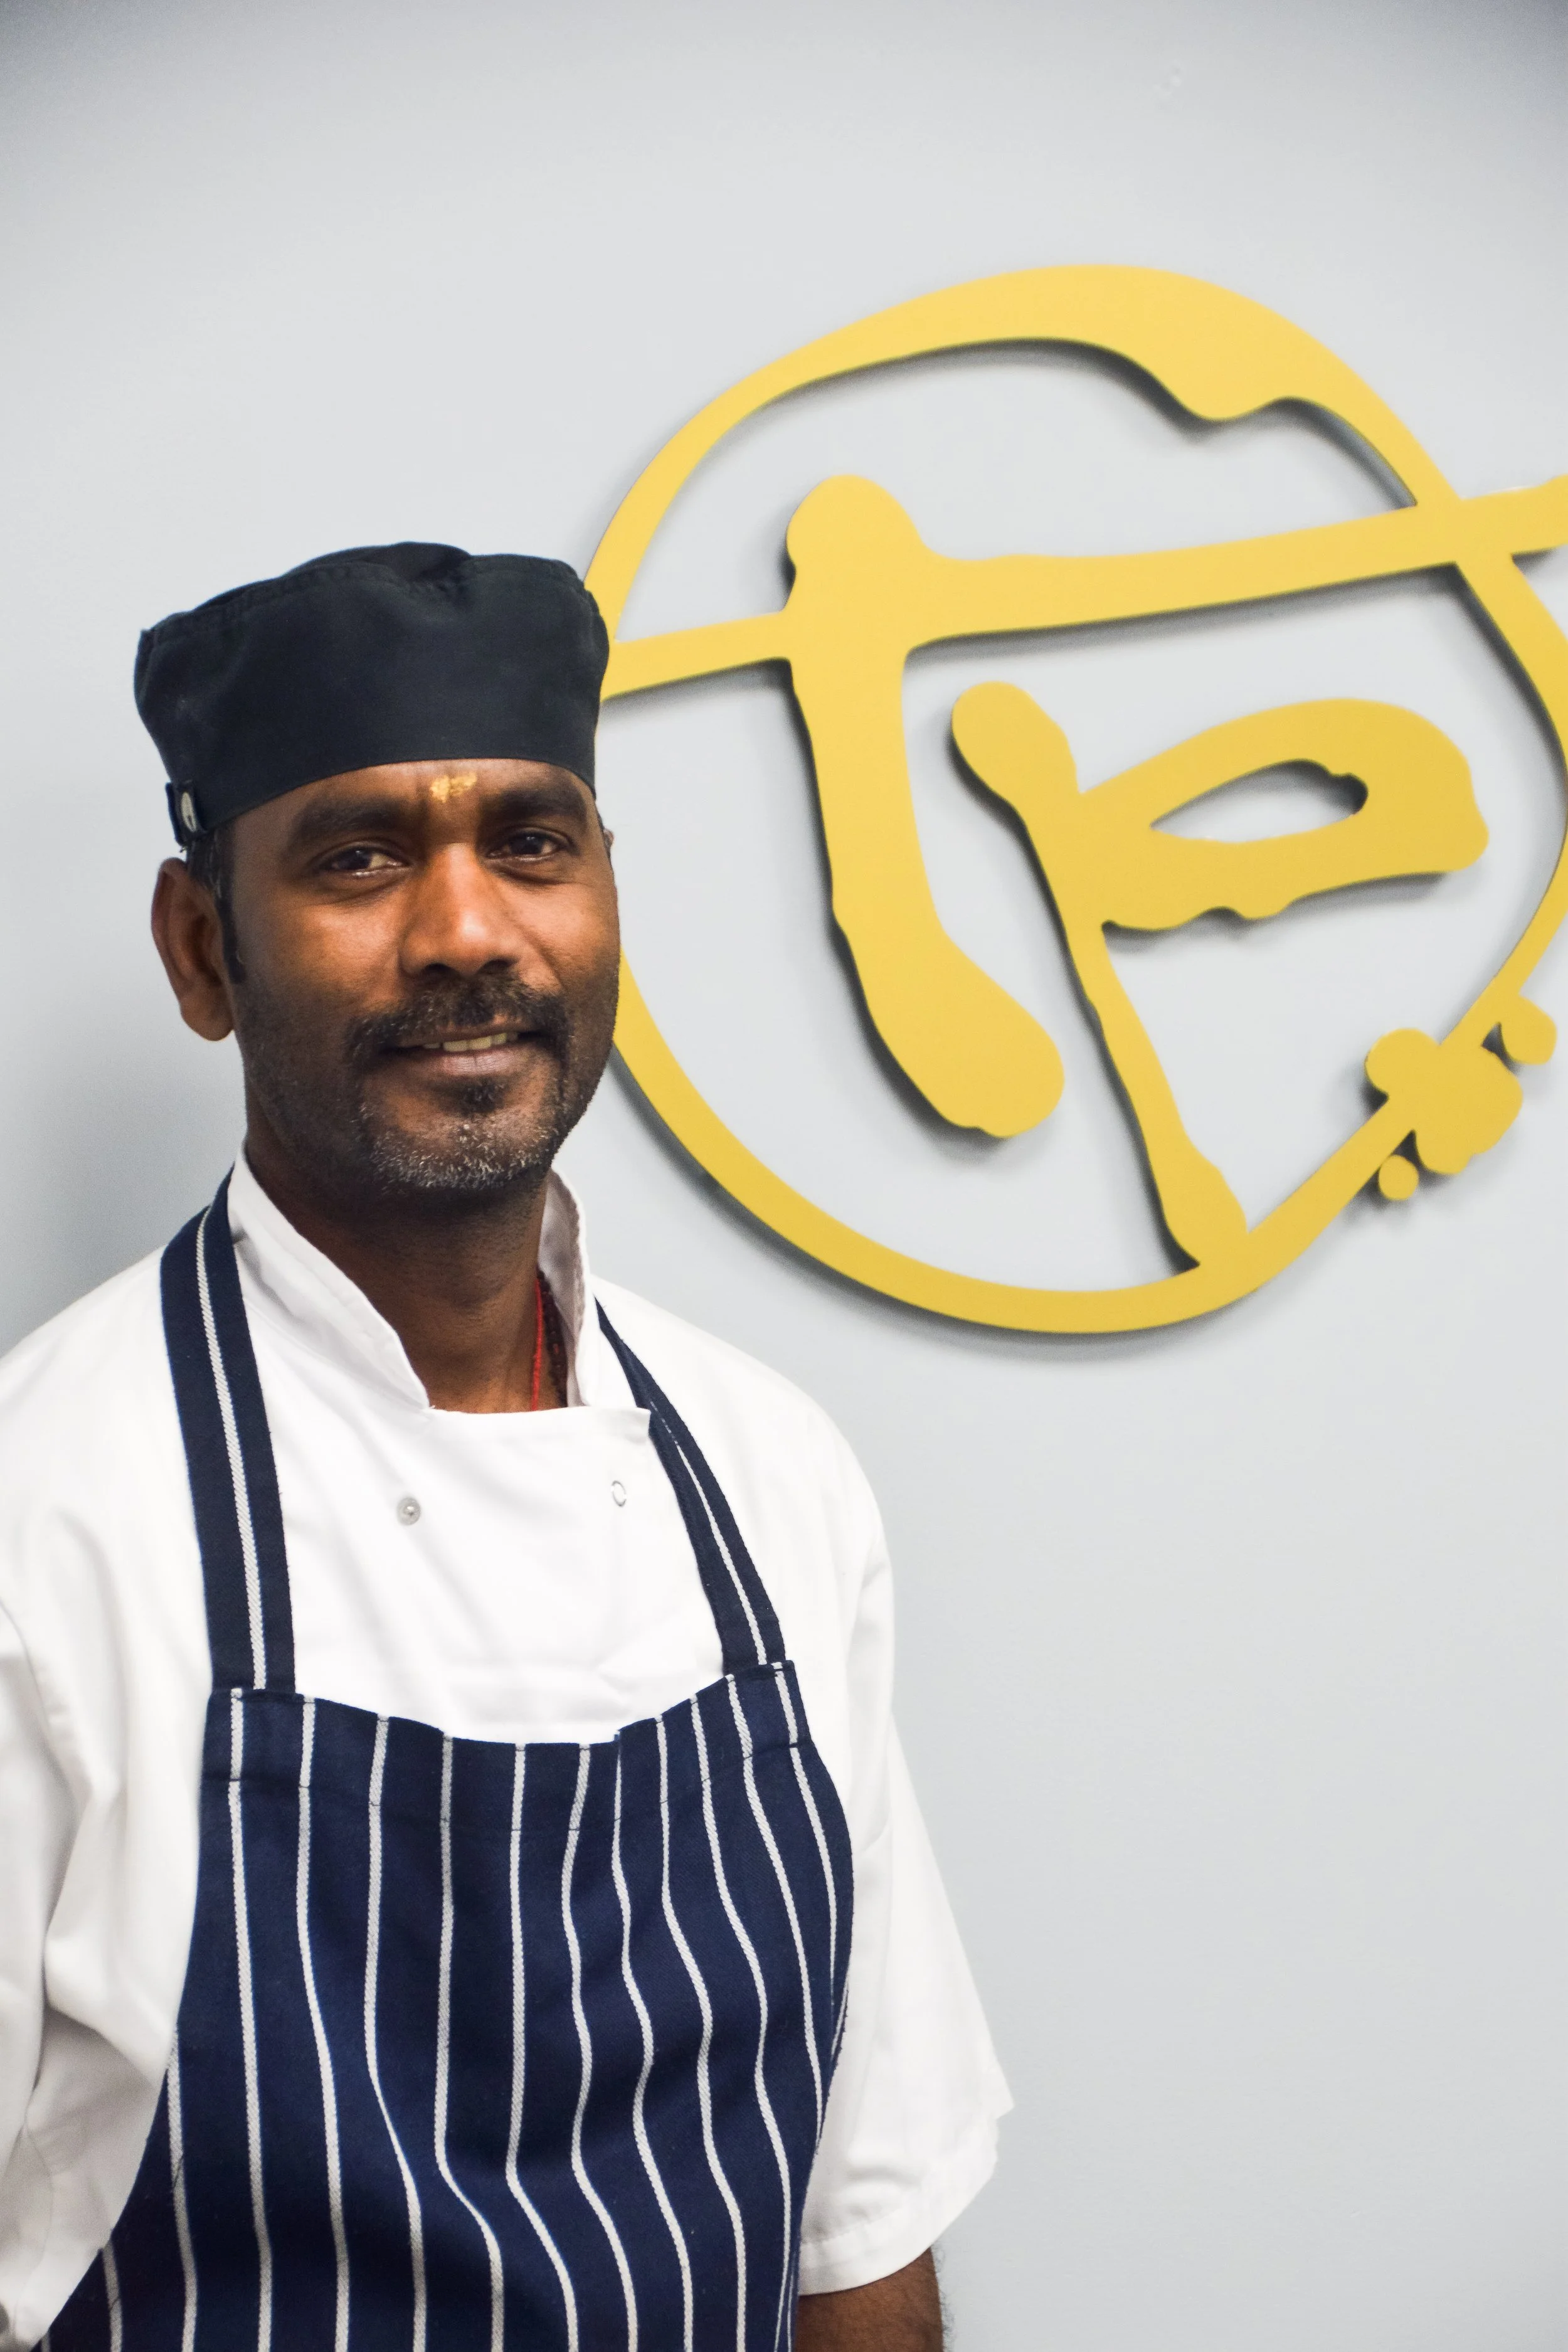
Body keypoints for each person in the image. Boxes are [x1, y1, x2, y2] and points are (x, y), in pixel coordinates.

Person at [0, 543, 1009, 2351]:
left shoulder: (769, 1473)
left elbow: (864, 2227)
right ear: (201, 947)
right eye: (360, 856)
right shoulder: (47, 1513)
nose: (468, 931)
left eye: (531, 844)